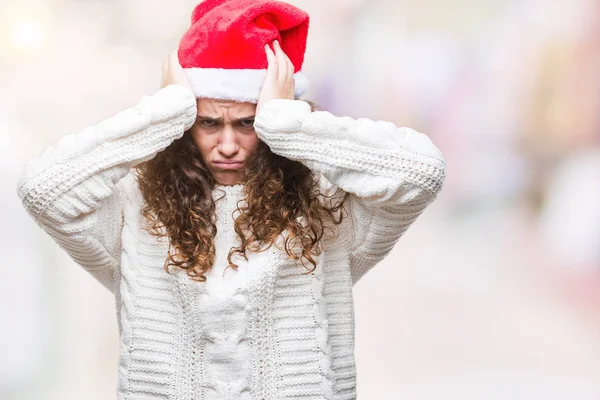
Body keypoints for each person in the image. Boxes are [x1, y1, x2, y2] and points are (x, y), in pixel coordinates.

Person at [16, 0, 446, 398]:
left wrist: (289, 125)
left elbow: (422, 172)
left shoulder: (327, 205)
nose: (227, 144)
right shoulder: (134, 208)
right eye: (206, 122)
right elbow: (42, 189)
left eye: (247, 123)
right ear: (184, 122)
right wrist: (160, 115)